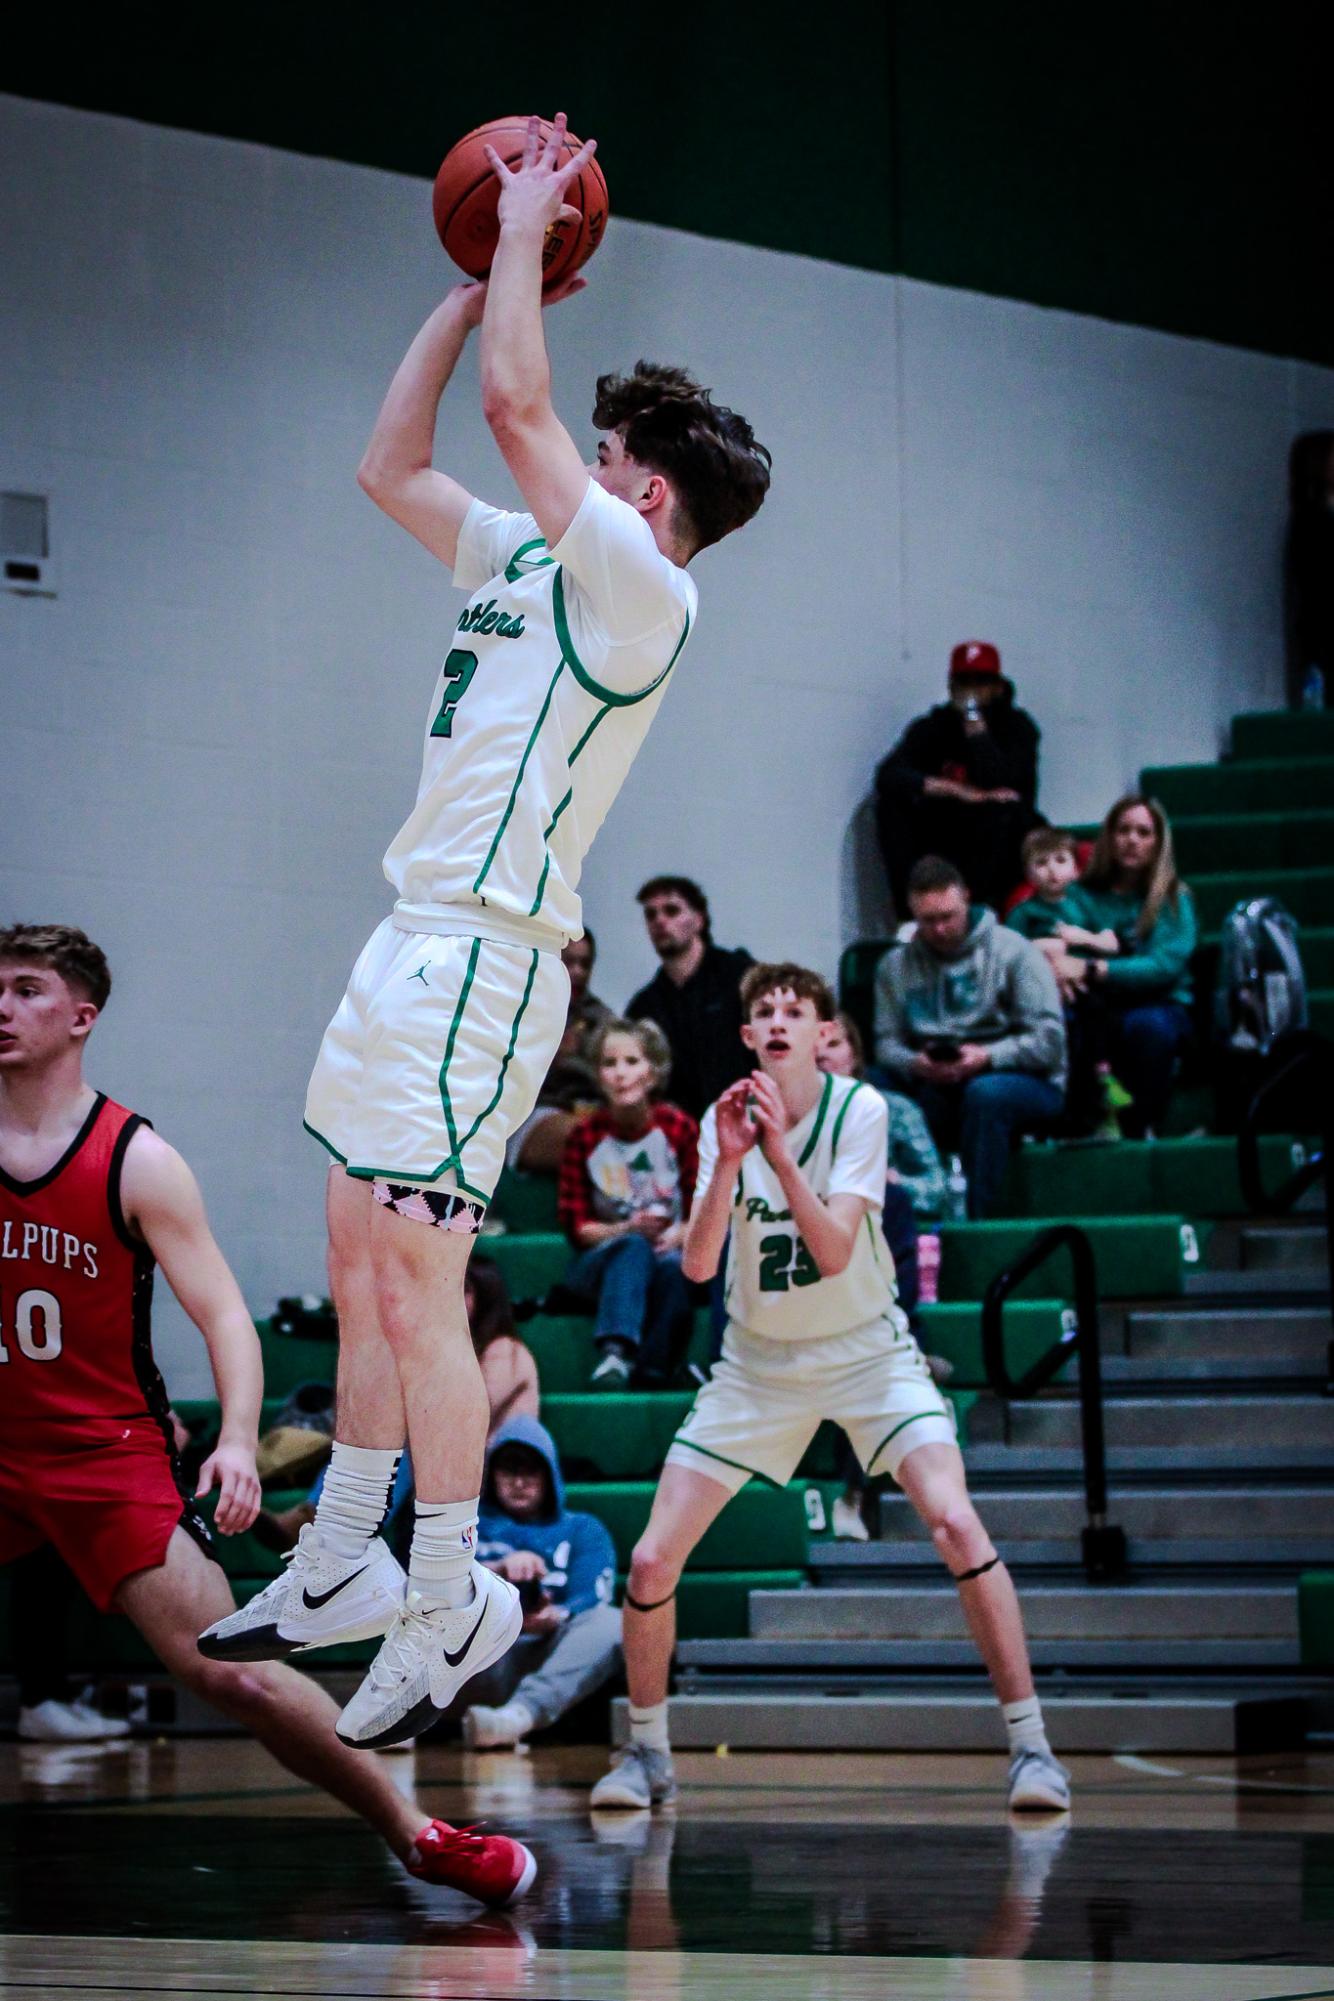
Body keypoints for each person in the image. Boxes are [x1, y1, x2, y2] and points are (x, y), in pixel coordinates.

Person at [202, 117, 771, 1751]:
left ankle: (440, 1583)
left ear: (642, 492)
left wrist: (522, 231)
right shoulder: (528, 555)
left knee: (423, 1279)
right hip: (409, 932)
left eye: (603, 457)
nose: (566, 461)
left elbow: (523, 410)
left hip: (491, 956)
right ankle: (340, 1564)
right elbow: (389, 466)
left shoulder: (645, 593)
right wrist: (464, 291)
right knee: (348, 1246)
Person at [0, 924, 533, 1906]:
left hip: (100, 1453)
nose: (1, 1006)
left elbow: (224, 1319)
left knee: (231, 1669)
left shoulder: (136, 1158)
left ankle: (419, 1836)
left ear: (81, 1016)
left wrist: (239, 1440)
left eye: (25, 988)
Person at [589, 962, 1068, 1815]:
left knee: (956, 1521)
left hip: (867, 1352)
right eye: (763, 1010)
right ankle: (648, 1753)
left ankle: (1032, 1747)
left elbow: (836, 1249)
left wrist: (776, 1151)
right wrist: (733, 1160)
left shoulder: (862, 1108)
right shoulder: (719, 1119)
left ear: (820, 1031)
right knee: (654, 1554)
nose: (777, 1019)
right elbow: (697, 1264)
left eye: (794, 1009)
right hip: (757, 1365)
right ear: (748, 1037)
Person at [258, 1253, 539, 1554]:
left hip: (496, 1466)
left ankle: (328, 1525)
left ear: (487, 1298)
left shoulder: (505, 1350)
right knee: (376, 1440)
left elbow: (458, 1415)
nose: (450, 1299)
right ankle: (317, 1520)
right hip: (442, 1459)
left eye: (464, 1290)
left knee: (400, 1449)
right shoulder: (445, 1350)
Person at [817, 1010, 950, 1542]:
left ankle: (853, 1495)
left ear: (855, 1052)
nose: (824, 1052)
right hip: (812, 1293)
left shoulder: (892, 1113)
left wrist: (885, 1181)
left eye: (836, 1041)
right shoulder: (789, 1128)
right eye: (816, 1043)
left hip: (879, 1285)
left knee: (867, 1354)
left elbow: (938, 1189)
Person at [873, 858, 1066, 1219]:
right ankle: (898, 1211)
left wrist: (986, 1057)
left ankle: (978, 1223)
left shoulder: (1014, 952)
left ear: (966, 900)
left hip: (1018, 1077)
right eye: (928, 921)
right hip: (934, 1076)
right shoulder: (894, 966)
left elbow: (1049, 1041)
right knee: (873, 1086)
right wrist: (916, 1064)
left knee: (985, 1095)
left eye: (948, 916)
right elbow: (885, 1044)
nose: (941, 929)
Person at [460, 1416, 621, 1750]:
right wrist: (498, 1569)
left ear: (550, 1475)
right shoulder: (468, 1525)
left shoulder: (584, 1529)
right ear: (492, 1476)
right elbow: (437, 1588)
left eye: (530, 1471)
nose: (519, 1482)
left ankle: (517, 1717)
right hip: (479, 1652)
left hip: (550, 1653)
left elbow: (592, 1598)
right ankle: (401, 1719)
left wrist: (554, 1617)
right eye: (509, 1470)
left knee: (614, 1622)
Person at [558, 1018, 698, 1390]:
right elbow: (578, 1228)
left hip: (667, 1252)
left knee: (671, 1269)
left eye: (632, 1062)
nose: (620, 1074)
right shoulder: (584, 1136)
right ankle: (615, 1352)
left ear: (653, 1073)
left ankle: (655, 1369)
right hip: (602, 1261)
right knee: (634, 1248)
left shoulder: (679, 1128)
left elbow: (703, 1203)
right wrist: (627, 1230)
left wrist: (681, 1233)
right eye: (609, 1063)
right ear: (598, 1075)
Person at [1050, 797, 1199, 1139]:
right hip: (1095, 1005)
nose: (1132, 839)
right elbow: (1061, 948)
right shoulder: (1080, 895)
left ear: (1159, 842)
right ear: (1110, 837)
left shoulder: (1174, 898)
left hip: (1159, 1004)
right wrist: (1063, 970)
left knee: (1146, 1027)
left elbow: (1163, 966)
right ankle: (1070, 1127)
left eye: (1143, 832)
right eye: (1124, 830)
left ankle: (1139, 1127)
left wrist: (1094, 969)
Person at [874, 640, 1042, 915]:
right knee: (892, 805)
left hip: (997, 835)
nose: (971, 691)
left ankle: (982, 910)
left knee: (1005, 813)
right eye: (964, 682)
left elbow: (1002, 783)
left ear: (998, 687)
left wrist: (975, 725)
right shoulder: (934, 726)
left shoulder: (1018, 728)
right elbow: (889, 775)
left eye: (981, 682)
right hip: (949, 828)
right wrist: (959, 791)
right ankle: (912, 913)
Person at [1006, 828, 1127, 1138]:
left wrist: (1081, 937)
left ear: (1075, 868)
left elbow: (1112, 943)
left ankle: (1104, 1080)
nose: (1052, 870)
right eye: (1041, 862)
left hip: (1087, 986)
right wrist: (1045, 947)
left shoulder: (1084, 903)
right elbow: (1008, 953)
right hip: (1045, 994)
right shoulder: (1024, 912)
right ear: (1028, 872)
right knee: (1064, 1033)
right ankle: (1067, 1114)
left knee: (1102, 1015)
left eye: (1060, 860)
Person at [625, 878, 755, 1121]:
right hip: (679, 1137)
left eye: (671, 910)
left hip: (745, 1120)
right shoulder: (644, 1006)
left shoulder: (739, 976)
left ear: (699, 919)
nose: (659, 921)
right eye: (650, 915)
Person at [505, 933, 613, 1175]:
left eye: (585, 964)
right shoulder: (524, 1008)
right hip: (536, 1110)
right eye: (569, 962)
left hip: (593, 1108)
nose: (577, 972)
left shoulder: (601, 1018)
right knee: (586, 1136)